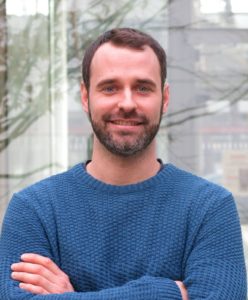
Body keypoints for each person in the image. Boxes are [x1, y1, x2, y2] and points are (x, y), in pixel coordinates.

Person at [0, 28, 246, 300]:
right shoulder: (34, 209)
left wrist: (70, 297)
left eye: (142, 88)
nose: (127, 103)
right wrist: (164, 293)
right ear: (85, 97)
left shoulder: (208, 207)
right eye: (110, 88)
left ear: (164, 99)